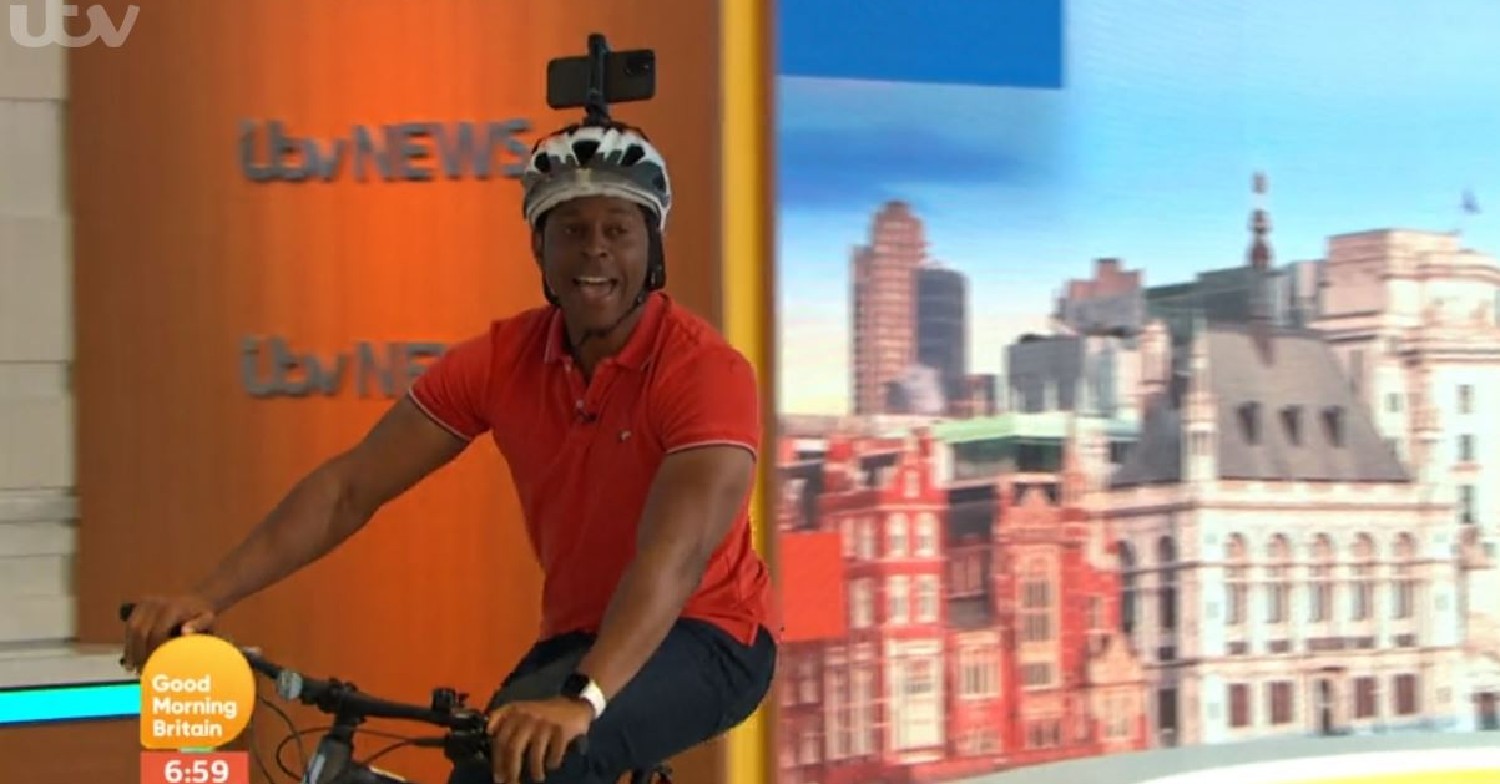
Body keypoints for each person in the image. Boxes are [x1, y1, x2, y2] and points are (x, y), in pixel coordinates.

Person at [121, 119, 779, 784]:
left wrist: (585, 699)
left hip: (709, 635)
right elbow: (349, 489)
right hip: (578, 635)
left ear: (651, 249)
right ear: (539, 248)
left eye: (618, 230)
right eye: (571, 231)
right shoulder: (503, 360)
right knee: (480, 764)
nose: (595, 251)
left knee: (532, 766)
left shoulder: (703, 371)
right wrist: (204, 597)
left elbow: (677, 553)